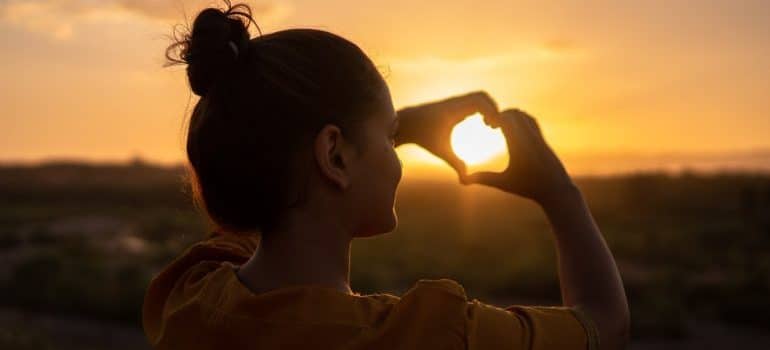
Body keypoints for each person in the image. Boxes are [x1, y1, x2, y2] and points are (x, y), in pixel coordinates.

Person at [142, 1, 630, 349]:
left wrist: (391, 128)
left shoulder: (190, 297)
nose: (396, 155)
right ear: (334, 155)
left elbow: (261, 169)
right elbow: (604, 325)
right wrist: (560, 193)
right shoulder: (430, 334)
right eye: (389, 136)